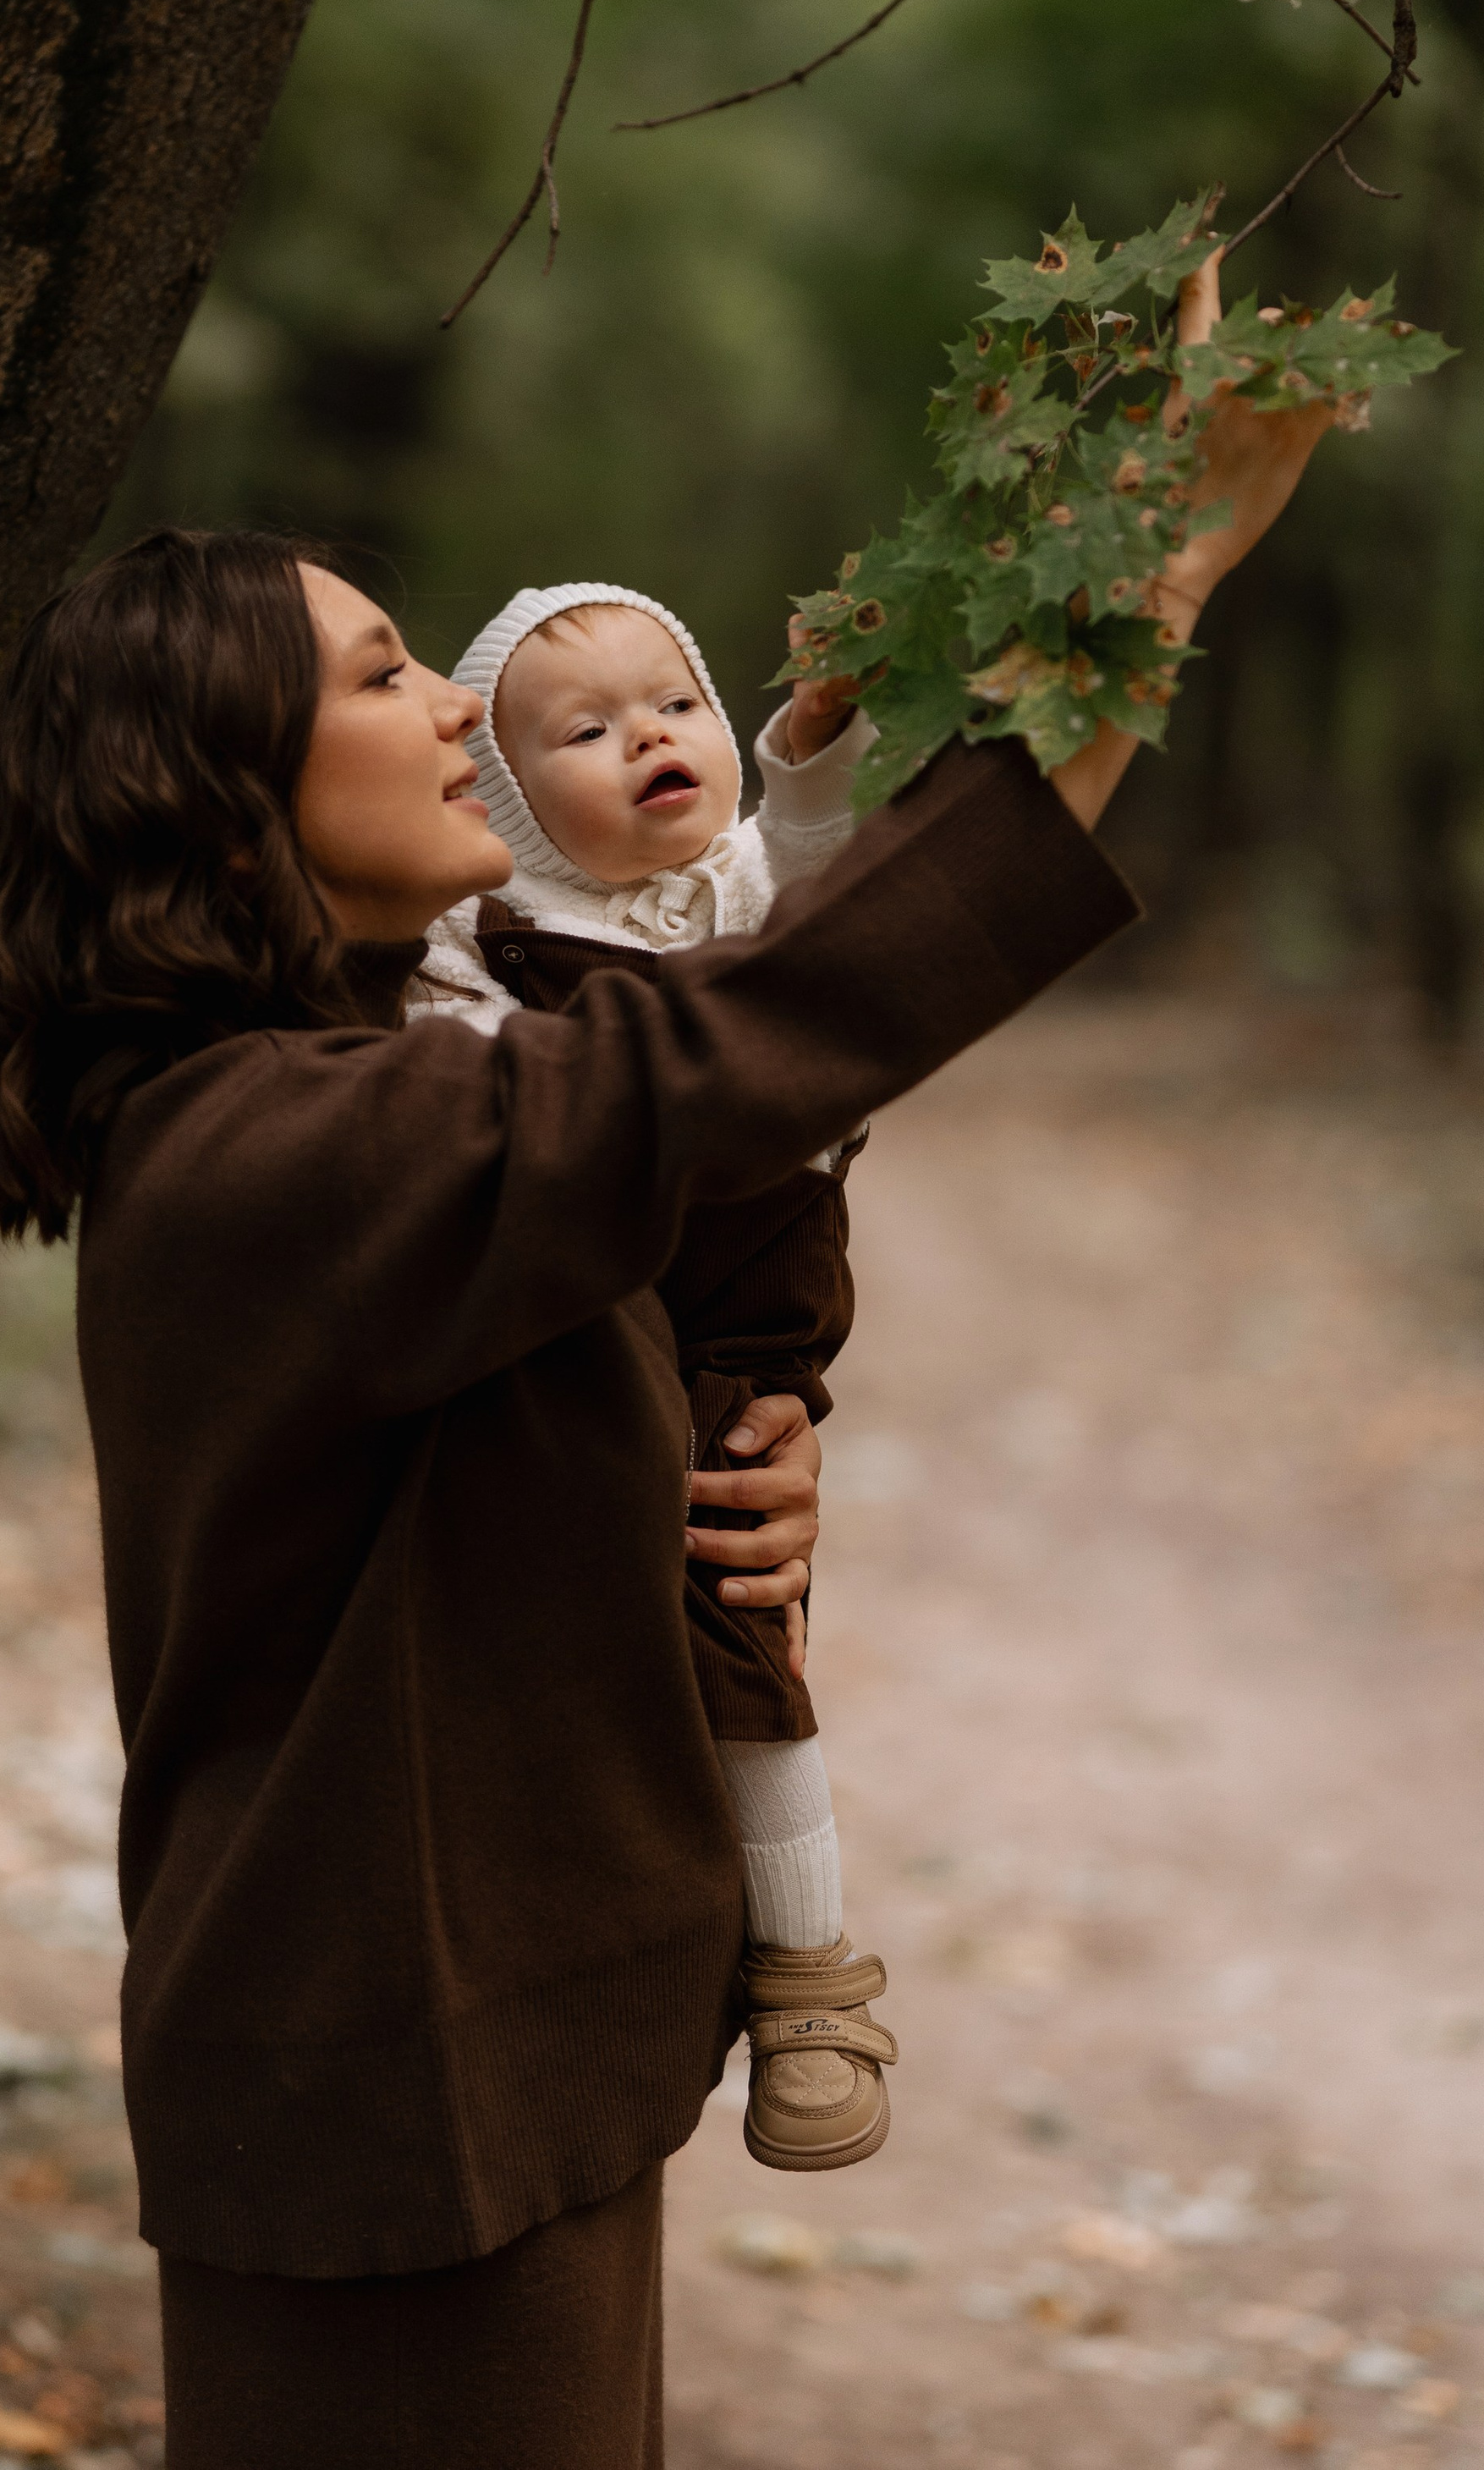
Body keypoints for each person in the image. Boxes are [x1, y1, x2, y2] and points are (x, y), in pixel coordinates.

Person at [0, 256, 1332, 2470]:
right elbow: (738, 1046)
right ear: (226, 785)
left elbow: (673, 1208)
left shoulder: (371, 1081)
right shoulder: (261, 1143)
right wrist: (1154, 574)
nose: (455, 712)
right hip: (388, 2089)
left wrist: (736, 1441)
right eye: (384, 677)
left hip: (499, 2053)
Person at [411, 580, 895, 2171]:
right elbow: (472, 1074)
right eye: (587, 730)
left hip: (751, 1329)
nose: (650, 740)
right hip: (610, 1317)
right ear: (496, 794)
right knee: (651, 1638)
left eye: (675, 704)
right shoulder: (495, 940)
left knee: (744, 1629)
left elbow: (824, 889)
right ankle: (667, 1946)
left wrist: (810, 743)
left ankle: (810, 1973)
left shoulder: (742, 879)